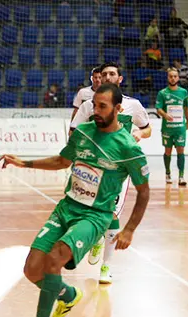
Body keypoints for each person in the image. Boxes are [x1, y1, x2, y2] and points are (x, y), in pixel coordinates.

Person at [0, 84, 151, 317]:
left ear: (118, 109)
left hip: (94, 216)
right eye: (94, 104)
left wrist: (129, 229)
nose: (96, 110)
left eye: (103, 106)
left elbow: (144, 191)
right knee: (32, 268)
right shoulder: (82, 133)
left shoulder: (128, 147)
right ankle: (69, 295)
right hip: (66, 208)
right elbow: (62, 161)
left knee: (55, 259)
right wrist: (24, 163)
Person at [71, 62, 151, 284]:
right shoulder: (89, 106)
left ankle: (106, 266)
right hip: (91, 169)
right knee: (88, 213)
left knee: (112, 214)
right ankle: (96, 237)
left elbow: (148, 128)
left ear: (120, 78)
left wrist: (139, 133)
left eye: (112, 74)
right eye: (104, 74)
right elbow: (74, 131)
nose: (107, 76)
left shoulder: (133, 105)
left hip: (118, 170)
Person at [156, 67, 188, 187]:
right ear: (168, 77)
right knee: (168, 151)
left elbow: (186, 108)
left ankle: (181, 176)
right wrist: (165, 115)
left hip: (180, 127)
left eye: (175, 76)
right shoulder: (162, 93)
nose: (173, 78)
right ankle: (168, 173)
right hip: (167, 128)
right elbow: (158, 108)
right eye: (171, 76)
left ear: (178, 77)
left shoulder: (183, 92)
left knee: (181, 150)